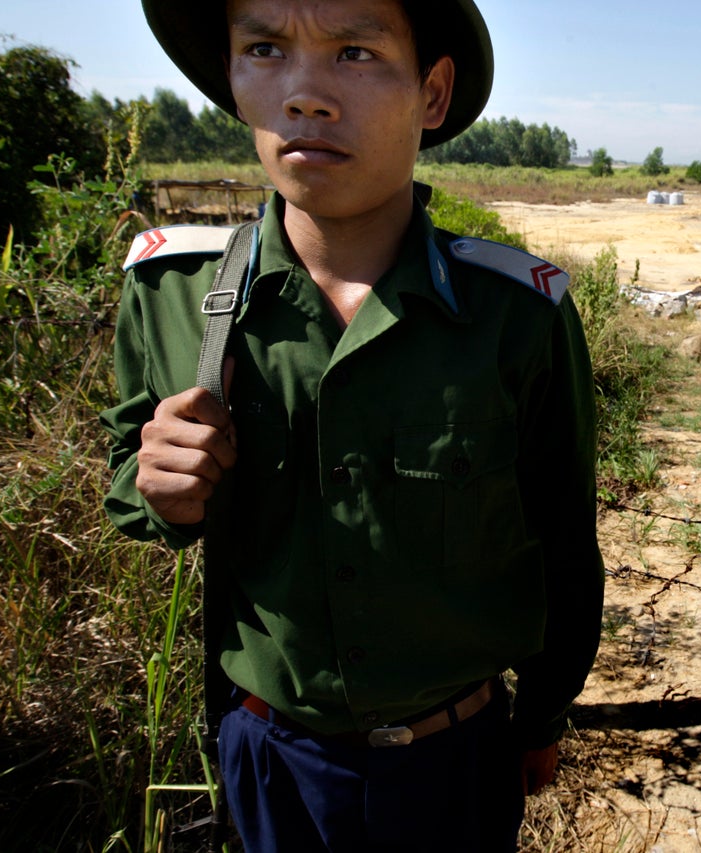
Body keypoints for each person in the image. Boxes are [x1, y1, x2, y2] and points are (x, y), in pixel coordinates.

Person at [100, 0, 604, 849]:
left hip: (455, 766)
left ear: (433, 93)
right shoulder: (172, 294)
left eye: (356, 52)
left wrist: (543, 714)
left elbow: (564, 544)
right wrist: (158, 489)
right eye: (265, 48)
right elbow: (128, 475)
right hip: (266, 761)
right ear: (233, 77)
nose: (305, 94)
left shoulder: (515, 317)